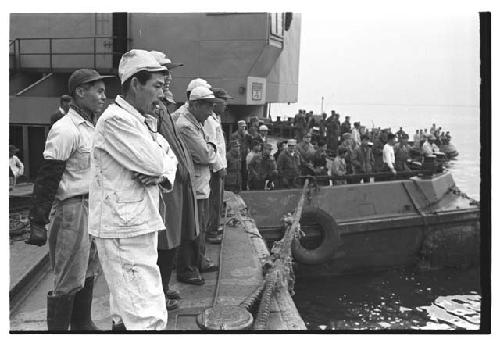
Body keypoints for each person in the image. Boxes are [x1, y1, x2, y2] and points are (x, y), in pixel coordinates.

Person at [89, 50, 178, 331]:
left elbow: (169, 157)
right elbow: (155, 160)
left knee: (126, 310)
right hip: (123, 227)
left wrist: (160, 171)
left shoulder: (142, 121)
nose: (162, 95)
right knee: (146, 314)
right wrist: (159, 163)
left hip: (136, 223)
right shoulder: (116, 120)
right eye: (157, 86)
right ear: (135, 84)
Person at [25, 69, 112, 331]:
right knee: (67, 275)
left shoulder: (94, 126)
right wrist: (37, 221)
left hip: (95, 207)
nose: (103, 97)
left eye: (104, 91)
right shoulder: (65, 129)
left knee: (89, 268)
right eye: (98, 91)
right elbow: (48, 176)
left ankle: (83, 323)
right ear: (79, 92)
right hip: (73, 210)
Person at [149, 51, 197, 308]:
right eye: (163, 72)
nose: (168, 77)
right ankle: (159, 291)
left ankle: (164, 286)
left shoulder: (165, 105)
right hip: (166, 184)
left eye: (168, 73)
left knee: (173, 237)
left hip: (176, 182)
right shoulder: (155, 108)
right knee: (163, 239)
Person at [176, 86, 220, 279]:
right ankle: (188, 268)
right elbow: (205, 155)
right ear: (195, 105)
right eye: (208, 106)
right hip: (194, 185)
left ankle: (197, 261)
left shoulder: (195, 122)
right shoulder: (186, 125)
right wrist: (212, 146)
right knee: (192, 227)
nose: (211, 112)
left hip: (200, 183)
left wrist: (209, 147)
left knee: (200, 225)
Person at [205, 88, 232, 244]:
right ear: (216, 102)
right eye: (224, 102)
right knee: (214, 201)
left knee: (218, 200)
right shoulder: (209, 121)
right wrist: (219, 167)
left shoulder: (216, 118)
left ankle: (214, 226)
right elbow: (211, 148)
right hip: (215, 169)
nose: (226, 106)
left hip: (220, 167)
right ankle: (211, 231)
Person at [229, 120, 250, 190]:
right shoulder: (234, 135)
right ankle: (237, 187)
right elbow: (235, 146)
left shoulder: (246, 135)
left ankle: (244, 188)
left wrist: (247, 136)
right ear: (239, 126)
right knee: (238, 173)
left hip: (244, 157)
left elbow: (248, 144)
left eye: (244, 127)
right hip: (237, 158)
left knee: (245, 174)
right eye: (242, 127)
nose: (243, 129)